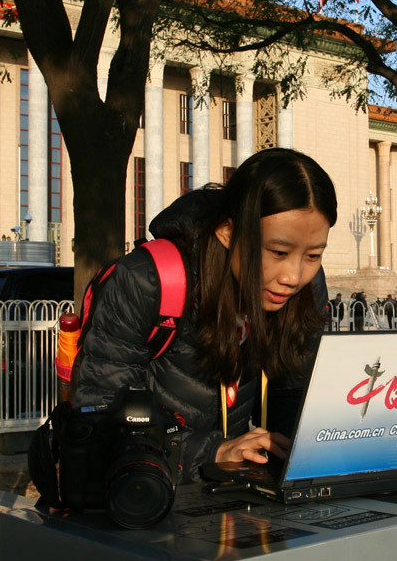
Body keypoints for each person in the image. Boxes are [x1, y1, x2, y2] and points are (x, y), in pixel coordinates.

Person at [72, 148, 338, 482]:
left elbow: (297, 394)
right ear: (227, 231)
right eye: (278, 252)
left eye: (313, 255)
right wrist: (213, 452)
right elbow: (103, 415)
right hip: (143, 493)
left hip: (235, 496)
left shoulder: (306, 291)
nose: (293, 277)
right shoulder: (148, 281)